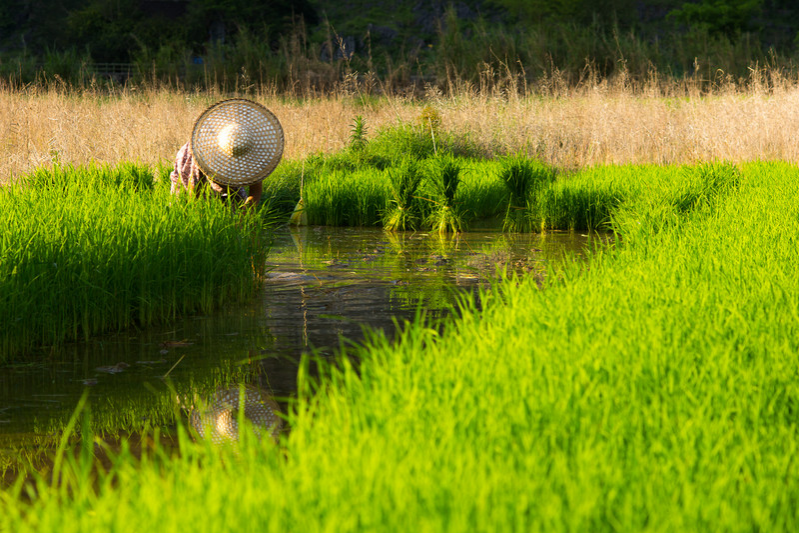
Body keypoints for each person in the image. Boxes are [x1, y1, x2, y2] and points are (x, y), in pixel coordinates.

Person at [169, 98, 284, 208]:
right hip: (188, 177)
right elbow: (194, 194)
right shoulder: (200, 155)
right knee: (182, 208)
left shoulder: (247, 149)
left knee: (235, 208)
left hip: (227, 185)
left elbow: (255, 190)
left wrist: (247, 212)